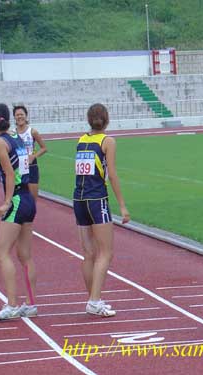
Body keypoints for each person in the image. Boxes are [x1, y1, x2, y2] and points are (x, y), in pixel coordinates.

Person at [73, 103, 130, 317]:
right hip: (97, 199)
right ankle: (95, 301)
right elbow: (112, 174)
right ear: (106, 120)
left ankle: (93, 300)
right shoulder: (108, 141)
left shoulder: (81, 140)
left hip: (78, 199)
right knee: (105, 252)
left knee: (88, 254)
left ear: (89, 120)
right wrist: (122, 206)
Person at [0, 103, 38, 320]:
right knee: (24, 255)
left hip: (16, 199)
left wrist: (6, 201)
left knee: (1, 253)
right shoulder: (17, 138)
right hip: (28, 198)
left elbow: (9, 174)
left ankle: (12, 305)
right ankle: (31, 304)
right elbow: (21, 168)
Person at [14, 105, 47, 200]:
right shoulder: (12, 133)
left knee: (32, 200)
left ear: (26, 116)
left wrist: (34, 156)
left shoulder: (32, 132)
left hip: (31, 167)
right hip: (18, 168)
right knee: (18, 198)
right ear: (14, 117)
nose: (19, 117)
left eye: (21, 114)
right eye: (17, 115)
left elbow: (44, 148)